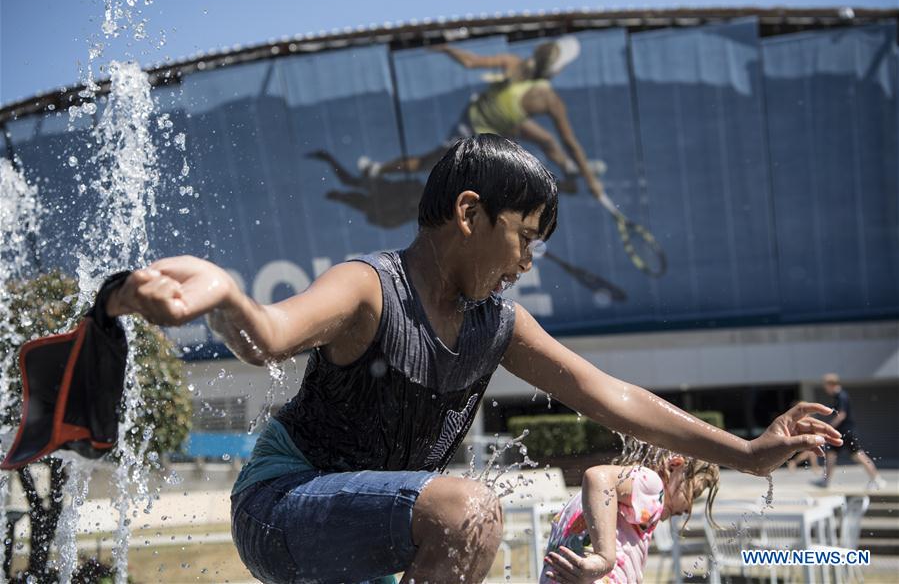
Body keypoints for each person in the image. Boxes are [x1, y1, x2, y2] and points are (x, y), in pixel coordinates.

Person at [105, 135, 840, 583]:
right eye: (523, 236)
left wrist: (745, 452)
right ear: (468, 213)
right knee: (470, 510)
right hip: (280, 508)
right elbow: (267, 332)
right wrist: (226, 293)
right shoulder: (369, 289)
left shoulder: (497, 325)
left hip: (366, 532)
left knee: (464, 514)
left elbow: (611, 395)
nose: (526, 261)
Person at [361, 37, 606, 199]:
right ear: (557, 70)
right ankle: (378, 170)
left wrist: (446, 48)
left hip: (499, 124)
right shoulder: (550, 100)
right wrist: (592, 181)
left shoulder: (513, 64)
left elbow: (469, 62)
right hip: (472, 132)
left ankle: (570, 170)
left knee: (547, 140)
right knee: (426, 163)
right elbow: (571, 143)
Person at [540, 439, 719, 584]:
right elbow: (596, 477)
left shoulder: (600, 501)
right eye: (693, 493)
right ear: (674, 466)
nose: (688, 507)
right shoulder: (652, 483)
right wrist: (605, 558)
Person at [814, 373, 886, 491]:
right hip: (841, 432)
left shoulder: (841, 396)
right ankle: (825, 481)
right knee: (831, 454)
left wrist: (827, 428)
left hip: (847, 432)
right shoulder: (838, 396)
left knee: (858, 455)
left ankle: (877, 479)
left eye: (826, 385)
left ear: (831, 384)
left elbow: (841, 415)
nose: (825, 388)